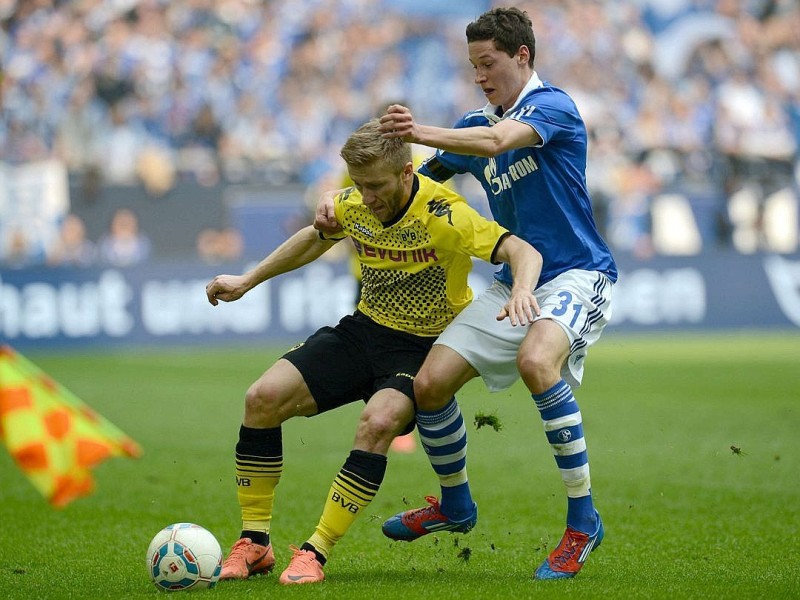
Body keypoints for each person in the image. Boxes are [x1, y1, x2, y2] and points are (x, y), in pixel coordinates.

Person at [315, 6, 618, 581]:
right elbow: (410, 183)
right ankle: (455, 505)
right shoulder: (472, 120)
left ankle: (583, 522)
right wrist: (343, 197)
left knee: (536, 361)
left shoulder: (551, 106)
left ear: (521, 56)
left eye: (488, 63)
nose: (479, 75)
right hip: (512, 281)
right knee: (429, 384)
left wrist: (417, 130)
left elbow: (497, 141)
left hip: (576, 274)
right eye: (473, 65)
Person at [205, 118, 542, 585]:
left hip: (422, 348)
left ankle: (314, 552)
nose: (366, 197)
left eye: (376, 186)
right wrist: (247, 280)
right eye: (359, 185)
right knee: (261, 398)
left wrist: (522, 290)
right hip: (362, 331)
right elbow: (314, 239)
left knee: (379, 423)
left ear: (407, 173)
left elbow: (522, 250)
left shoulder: (446, 213)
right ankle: (255, 544)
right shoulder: (356, 202)